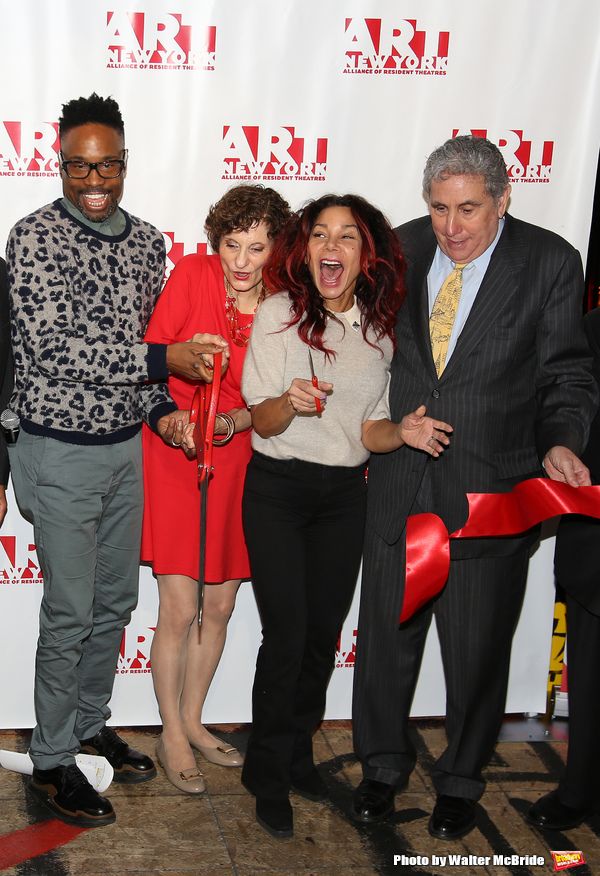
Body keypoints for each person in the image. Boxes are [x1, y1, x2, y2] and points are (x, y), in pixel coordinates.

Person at [351, 135, 598, 841]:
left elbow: (568, 374)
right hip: (399, 482)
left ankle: (460, 779)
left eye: (468, 210)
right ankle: (380, 766)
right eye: (438, 209)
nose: (451, 228)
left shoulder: (549, 261)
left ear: (503, 198)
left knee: (477, 650)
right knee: (386, 645)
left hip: (489, 493)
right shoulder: (395, 248)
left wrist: (561, 441)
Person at [5, 93, 222, 828]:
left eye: (108, 165)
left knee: (113, 603)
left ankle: (91, 723)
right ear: (58, 164)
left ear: (125, 165)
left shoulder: (149, 241)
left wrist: (167, 414)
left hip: (126, 448)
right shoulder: (32, 238)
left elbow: (146, 353)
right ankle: (52, 758)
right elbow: (51, 350)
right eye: (79, 165)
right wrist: (164, 359)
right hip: (57, 450)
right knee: (69, 610)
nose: (93, 178)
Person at [240, 193, 454, 840]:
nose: (332, 247)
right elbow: (262, 418)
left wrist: (405, 432)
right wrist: (289, 400)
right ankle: (266, 772)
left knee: (321, 636)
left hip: (343, 497)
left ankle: (298, 754)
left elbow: (370, 430)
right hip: (277, 490)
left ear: (367, 258)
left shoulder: (379, 332)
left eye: (348, 238)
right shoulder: (276, 315)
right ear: (303, 250)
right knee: (287, 635)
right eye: (320, 235)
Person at [141, 185, 291, 794]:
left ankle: (196, 721)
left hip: (242, 455)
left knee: (221, 605)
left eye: (257, 247)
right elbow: (152, 357)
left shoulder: (285, 302)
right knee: (179, 607)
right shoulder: (192, 275)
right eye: (233, 244)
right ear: (217, 241)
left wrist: (234, 422)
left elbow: (276, 402)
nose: (242, 260)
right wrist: (170, 421)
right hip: (178, 451)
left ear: (275, 248)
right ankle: (170, 732)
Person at [528, 306, 600, 830]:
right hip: (594, 538)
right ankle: (579, 789)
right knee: (592, 673)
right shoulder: (591, 328)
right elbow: (561, 405)